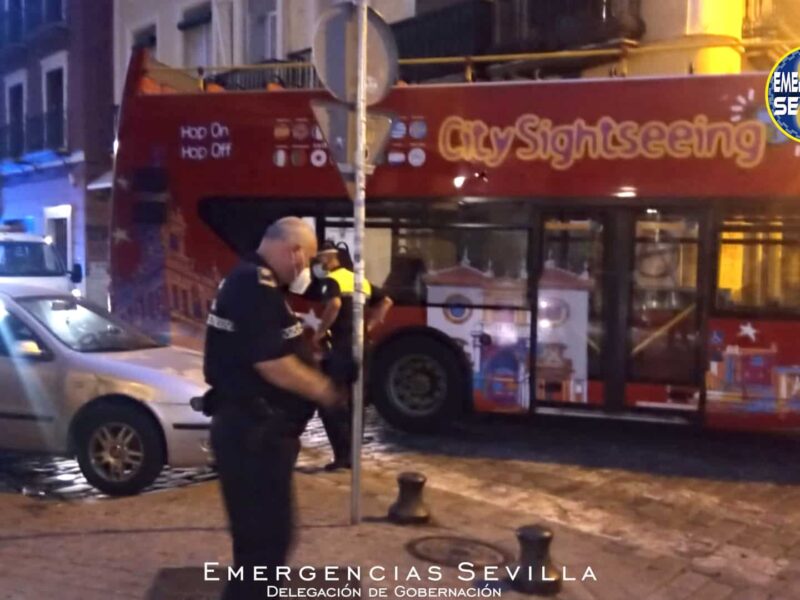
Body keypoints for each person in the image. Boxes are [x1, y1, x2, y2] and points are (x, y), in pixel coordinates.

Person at [203, 217, 346, 599]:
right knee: (264, 549)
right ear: (294, 251)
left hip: (254, 432)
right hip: (253, 434)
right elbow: (271, 364)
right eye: (308, 259)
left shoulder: (252, 280)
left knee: (262, 549)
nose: (306, 269)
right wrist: (325, 390)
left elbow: (270, 346)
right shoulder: (255, 284)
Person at [310, 240, 393, 471]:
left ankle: (341, 456)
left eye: (319, 259)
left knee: (330, 400)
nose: (319, 264)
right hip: (362, 346)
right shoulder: (359, 280)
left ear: (329, 258)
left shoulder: (332, 280)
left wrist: (318, 333)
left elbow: (334, 305)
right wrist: (369, 326)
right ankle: (353, 455)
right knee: (357, 401)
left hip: (341, 347)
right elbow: (386, 300)